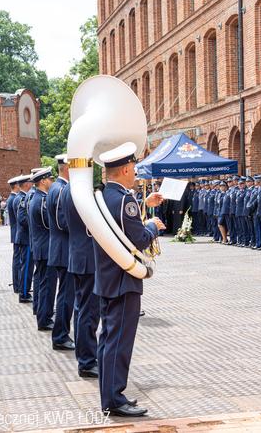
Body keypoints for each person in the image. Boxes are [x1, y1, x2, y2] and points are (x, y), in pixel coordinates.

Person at [94, 142, 164, 417]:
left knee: (108, 338)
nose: (135, 171)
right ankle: (114, 399)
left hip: (107, 277)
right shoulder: (125, 199)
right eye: (133, 167)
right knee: (119, 341)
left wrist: (143, 207)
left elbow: (119, 229)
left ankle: (109, 393)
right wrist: (152, 227)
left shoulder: (103, 196)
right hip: (123, 279)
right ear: (125, 169)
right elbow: (137, 238)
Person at [61, 172, 100, 378]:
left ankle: (85, 358)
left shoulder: (69, 188)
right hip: (87, 257)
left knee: (82, 309)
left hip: (78, 254)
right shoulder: (81, 190)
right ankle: (86, 361)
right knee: (89, 312)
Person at [47, 155, 76, 350]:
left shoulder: (57, 188)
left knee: (66, 295)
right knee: (66, 296)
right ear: (66, 168)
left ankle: (61, 333)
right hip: (64, 250)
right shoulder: (61, 190)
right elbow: (61, 222)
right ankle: (60, 336)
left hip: (62, 249)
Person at [29, 167, 57, 330]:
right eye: (50, 179)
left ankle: (42, 313)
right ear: (43, 181)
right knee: (47, 286)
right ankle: (44, 319)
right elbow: (49, 224)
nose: (51, 182)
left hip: (41, 247)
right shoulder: (41, 201)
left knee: (43, 284)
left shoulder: (38, 198)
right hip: (45, 249)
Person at [14, 174, 34, 303]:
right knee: (26, 267)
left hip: (24, 237)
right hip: (25, 238)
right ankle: (24, 293)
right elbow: (22, 219)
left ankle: (24, 289)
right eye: (30, 183)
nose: (32, 185)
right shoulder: (22, 198)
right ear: (26, 184)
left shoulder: (21, 197)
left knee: (26, 266)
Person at [6, 176, 21, 292]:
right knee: (17, 260)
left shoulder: (12, 198)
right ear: (16, 186)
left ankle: (17, 283)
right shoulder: (14, 199)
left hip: (15, 232)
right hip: (17, 233)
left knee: (17, 259)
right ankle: (17, 284)